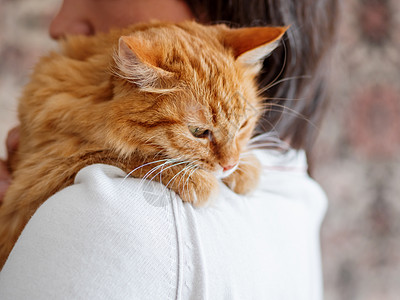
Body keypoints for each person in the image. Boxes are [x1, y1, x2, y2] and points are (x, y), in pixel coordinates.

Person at [0, 0, 338, 298]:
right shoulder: (296, 192)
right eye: (200, 132)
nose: (230, 162)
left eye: (242, 129)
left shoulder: (111, 213)